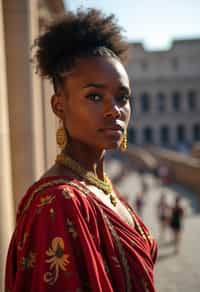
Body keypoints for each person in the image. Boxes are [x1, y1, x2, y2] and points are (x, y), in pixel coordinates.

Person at [5, 9, 157, 292]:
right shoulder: (57, 203)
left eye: (122, 97)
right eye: (95, 96)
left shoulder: (101, 185)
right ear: (59, 105)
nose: (115, 111)